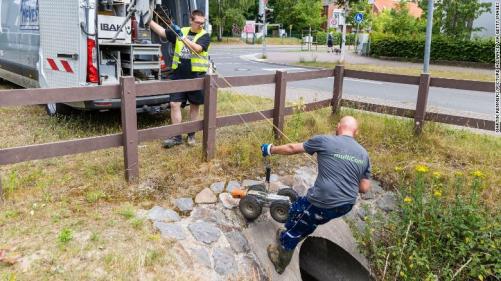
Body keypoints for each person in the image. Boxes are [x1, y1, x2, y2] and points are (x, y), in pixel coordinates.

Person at [260, 116, 372, 274]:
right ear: (356, 132)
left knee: (298, 217)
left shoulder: (325, 140)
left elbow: (292, 148)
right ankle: (298, 230)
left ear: (338, 126)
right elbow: (364, 187)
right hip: (345, 205)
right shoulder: (363, 154)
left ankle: (281, 259)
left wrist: (270, 149)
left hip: (323, 200)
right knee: (305, 214)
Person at [148, 9, 210, 148]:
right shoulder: (181, 30)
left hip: (196, 76)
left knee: (194, 106)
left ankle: (191, 134)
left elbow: (197, 49)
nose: (200, 25)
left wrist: (183, 37)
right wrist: (149, 21)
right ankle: (176, 136)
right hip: (178, 75)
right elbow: (163, 32)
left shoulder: (205, 35)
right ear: (191, 20)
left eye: (202, 23)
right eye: (198, 22)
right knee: (174, 104)